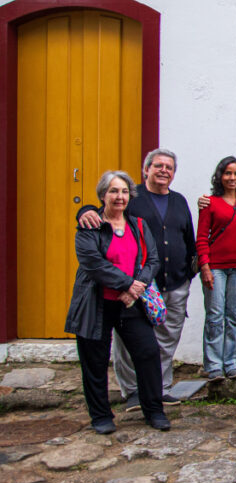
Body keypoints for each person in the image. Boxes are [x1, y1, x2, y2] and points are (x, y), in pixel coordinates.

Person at [77, 148, 196, 411]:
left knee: (166, 339)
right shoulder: (133, 196)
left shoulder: (179, 201)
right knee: (129, 342)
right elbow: (102, 213)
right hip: (139, 285)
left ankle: (160, 388)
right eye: (158, 165)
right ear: (146, 170)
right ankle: (132, 391)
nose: (164, 170)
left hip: (175, 282)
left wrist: (189, 273)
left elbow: (189, 239)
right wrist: (83, 210)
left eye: (169, 167)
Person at [65, 171, 168, 434]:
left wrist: (136, 288)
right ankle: (100, 416)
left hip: (130, 304)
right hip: (96, 304)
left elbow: (152, 260)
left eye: (123, 191)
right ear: (102, 195)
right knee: (95, 361)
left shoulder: (138, 225)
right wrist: (127, 284)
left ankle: (154, 410)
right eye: (113, 191)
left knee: (147, 353)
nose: (119, 196)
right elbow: (91, 262)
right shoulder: (91, 225)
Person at [196, 157, 236, 381]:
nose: (232, 178)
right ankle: (213, 364)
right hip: (216, 267)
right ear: (220, 176)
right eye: (228, 173)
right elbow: (201, 237)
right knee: (215, 316)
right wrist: (205, 266)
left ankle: (232, 362)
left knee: (235, 316)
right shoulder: (209, 203)